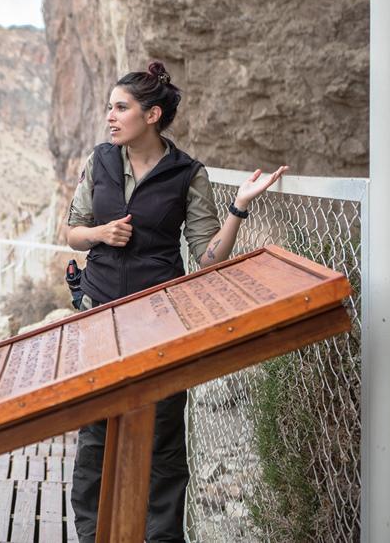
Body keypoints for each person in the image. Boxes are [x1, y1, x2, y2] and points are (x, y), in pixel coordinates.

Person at [66, 61, 287, 543]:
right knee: (97, 432)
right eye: (109, 106)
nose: (110, 116)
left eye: (120, 107)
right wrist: (101, 232)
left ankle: (161, 536)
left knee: (164, 435)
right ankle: (92, 535)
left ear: (152, 115)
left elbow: (207, 258)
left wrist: (239, 207)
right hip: (99, 312)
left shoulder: (189, 173)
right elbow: (71, 232)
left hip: (162, 315)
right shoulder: (99, 160)